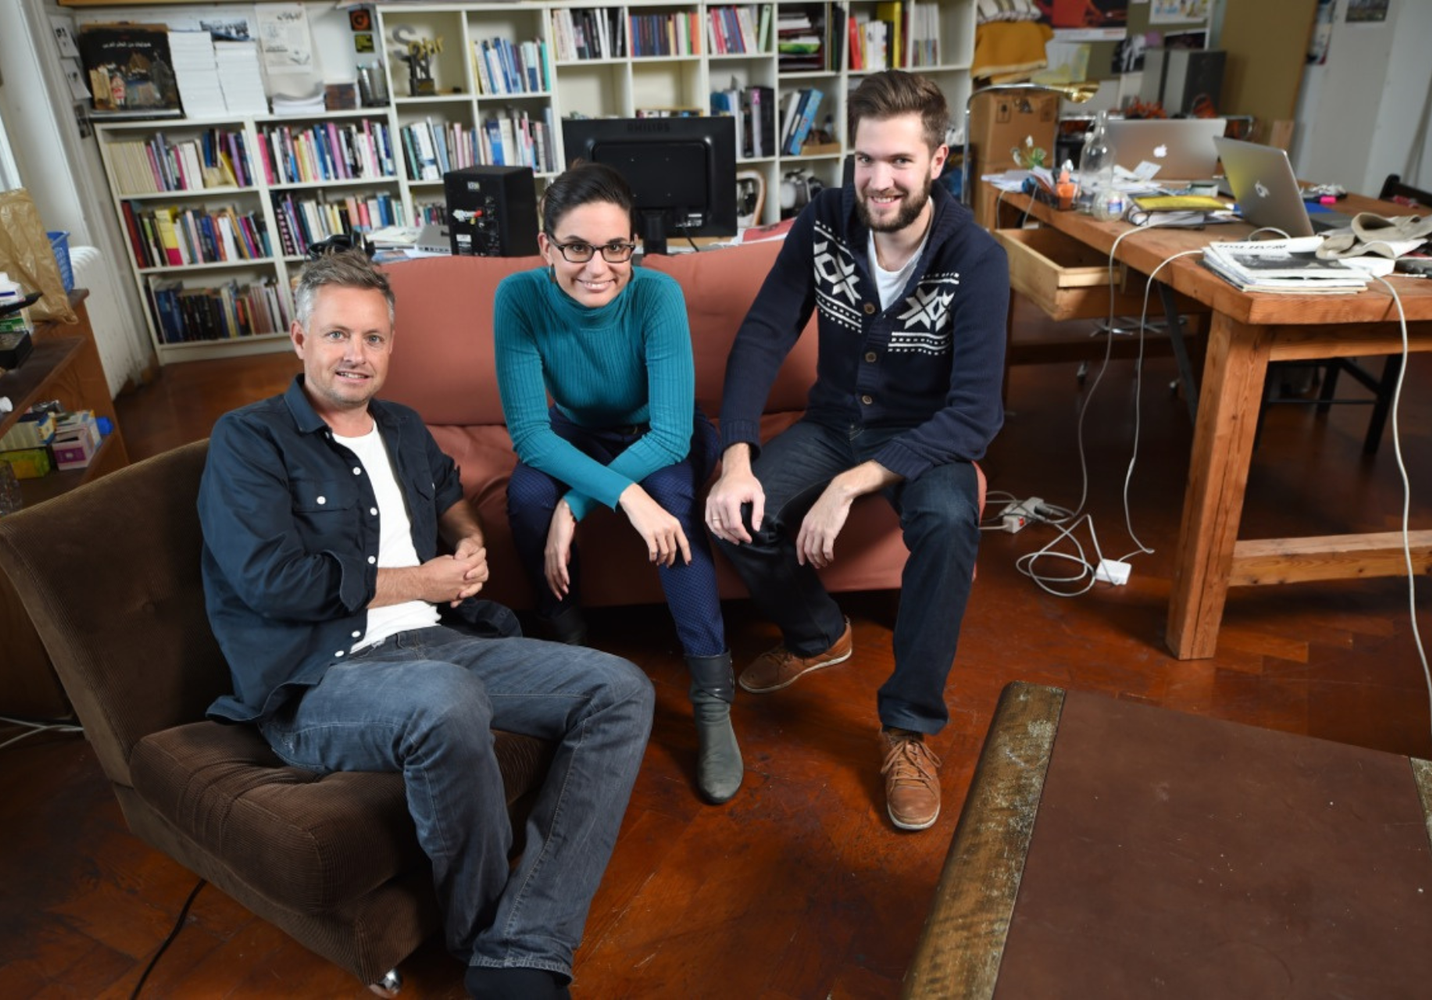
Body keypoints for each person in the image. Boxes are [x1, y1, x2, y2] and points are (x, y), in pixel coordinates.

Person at [197, 246, 654, 1000]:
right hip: (320, 680)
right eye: (338, 335)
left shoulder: (403, 427)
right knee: (446, 700)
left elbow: (448, 494)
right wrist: (420, 579)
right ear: (299, 338)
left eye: (374, 338)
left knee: (622, 689)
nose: (357, 355)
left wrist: (469, 540)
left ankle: (520, 944)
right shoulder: (248, 441)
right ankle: (484, 943)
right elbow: (270, 581)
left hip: (439, 642)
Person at [705, 70, 1008, 832]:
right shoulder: (825, 222)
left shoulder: (976, 259)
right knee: (733, 515)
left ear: (938, 162)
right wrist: (736, 454)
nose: (879, 181)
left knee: (946, 523)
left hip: (925, 437)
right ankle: (818, 633)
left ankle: (909, 728)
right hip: (834, 420)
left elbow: (977, 414)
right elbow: (764, 334)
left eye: (900, 162)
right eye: (866, 160)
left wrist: (851, 486)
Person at [492, 162, 742, 805]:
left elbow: (669, 435)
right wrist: (615, 496)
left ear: (635, 245)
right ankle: (567, 647)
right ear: (546, 246)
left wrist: (578, 505)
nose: (597, 266)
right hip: (573, 431)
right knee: (525, 499)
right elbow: (529, 436)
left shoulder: (656, 295)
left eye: (616, 247)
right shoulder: (517, 298)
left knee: (675, 508)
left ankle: (713, 701)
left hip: (657, 434)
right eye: (576, 247)